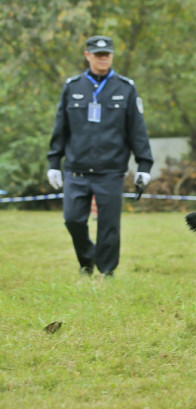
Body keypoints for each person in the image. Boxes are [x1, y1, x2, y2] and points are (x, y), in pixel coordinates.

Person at [46, 35, 153, 277]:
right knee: (72, 220)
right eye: (97, 55)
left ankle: (107, 272)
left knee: (109, 227)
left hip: (111, 171)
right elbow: (60, 128)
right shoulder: (72, 87)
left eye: (107, 55)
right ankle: (87, 260)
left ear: (112, 56)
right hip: (76, 169)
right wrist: (54, 162)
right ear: (88, 55)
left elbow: (137, 130)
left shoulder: (126, 88)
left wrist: (144, 165)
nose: (103, 59)